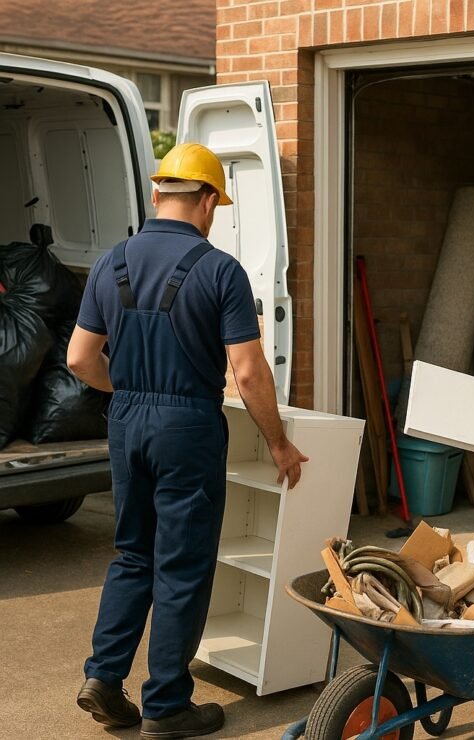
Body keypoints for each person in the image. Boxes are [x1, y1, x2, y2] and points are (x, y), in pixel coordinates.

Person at [68, 142, 307, 738]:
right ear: (206, 202)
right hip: (188, 426)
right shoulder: (220, 270)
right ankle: (168, 705)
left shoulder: (110, 262)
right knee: (180, 564)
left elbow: (78, 359)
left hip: (125, 420)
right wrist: (278, 443)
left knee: (133, 553)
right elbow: (248, 373)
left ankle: (103, 675)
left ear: (156, 194)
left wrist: (125, 390)